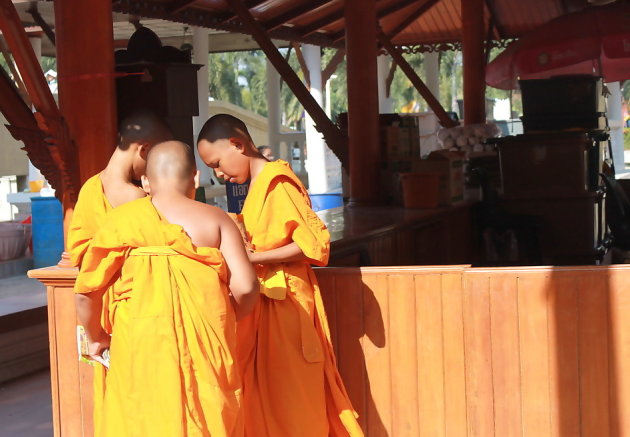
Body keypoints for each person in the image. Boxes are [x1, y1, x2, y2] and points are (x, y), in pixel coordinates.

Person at [75, 140, 259, 437]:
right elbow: (248, 287)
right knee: (210, 416)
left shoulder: (122, 221)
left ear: (146, 182)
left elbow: (86, 292)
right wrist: (225, 316)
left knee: (140, 419)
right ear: (196, 178)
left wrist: (96, 337)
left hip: (140, 343)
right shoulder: (217, 220)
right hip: (206, 342)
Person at [197, 114, 363, 437]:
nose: (218, 175)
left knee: (293, 405)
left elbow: (314, 246)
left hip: (288, 310)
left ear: (237, 145)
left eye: (217, 163)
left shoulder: (277, 181)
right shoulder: (257, 186)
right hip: (266, 307)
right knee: (265, 401)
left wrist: (252, 257)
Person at [66, 110, 172, 432]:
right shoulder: (141, 201)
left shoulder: (88, 190)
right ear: (143, 149)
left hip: (103, 311)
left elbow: (81, 257)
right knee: (150, 400)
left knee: (117, 398)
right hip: (141, 310)